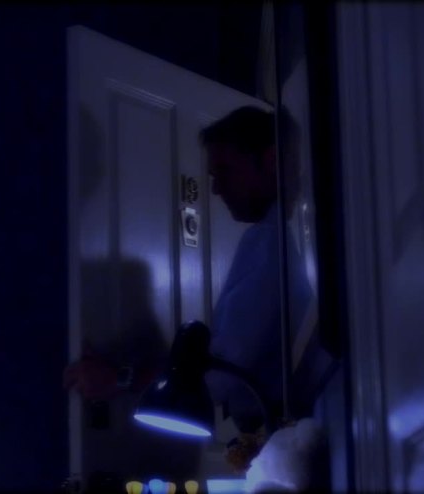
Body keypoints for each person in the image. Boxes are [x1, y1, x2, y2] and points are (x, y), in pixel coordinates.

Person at [63, 105, 283, 433]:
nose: (216, 189)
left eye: (225, 171)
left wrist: (119, 378)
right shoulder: (270, 239)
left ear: (270, 160)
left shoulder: (268, 243)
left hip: (274, 423)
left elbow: (218, 375)